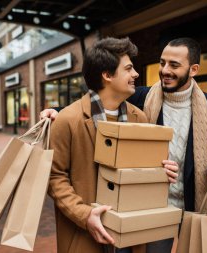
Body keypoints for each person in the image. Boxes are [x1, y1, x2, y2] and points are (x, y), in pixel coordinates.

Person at [42, 37, 207, 253]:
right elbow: (98, 100)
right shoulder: (143, 97)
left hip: (190, 203)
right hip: (146, 209)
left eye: (174, 65)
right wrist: (56, 111)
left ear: (193, 69)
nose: (165, 70)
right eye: (162, 63)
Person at [48, 37, 150, 253]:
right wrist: (85, 215)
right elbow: (54, 177)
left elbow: (145, 171)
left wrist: (162, 172)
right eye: (129, 68)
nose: (136, 74)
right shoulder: (67, 120)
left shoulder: (139, 118)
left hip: (130, 235)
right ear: (107, 75)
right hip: (86, 233)